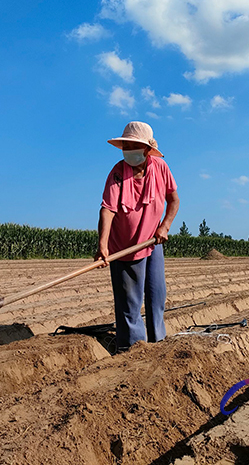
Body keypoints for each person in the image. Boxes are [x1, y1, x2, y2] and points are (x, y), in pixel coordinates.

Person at [94, 121, 179, 353]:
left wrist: (165, 227)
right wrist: (103, 245)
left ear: (147, 149)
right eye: (126, 145)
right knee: (129, 304)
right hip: (125, 246)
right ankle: (133, 351)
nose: (129, 149)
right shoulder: (118, 173)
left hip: (153, 242)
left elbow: (174, 200)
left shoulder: (161, 168)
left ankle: (158, 344)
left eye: (134, 145)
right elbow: (107, 210)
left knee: (156, 295)